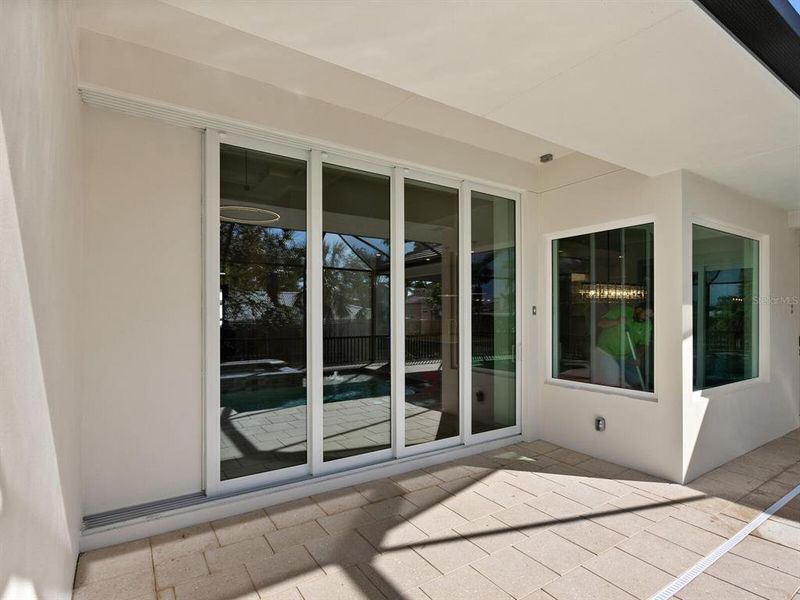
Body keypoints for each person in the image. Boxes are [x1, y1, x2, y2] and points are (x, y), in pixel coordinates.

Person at [596, 302, 653, 389]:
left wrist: (638, 355)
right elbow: (600, 323)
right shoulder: (621, 310)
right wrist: (617, 321)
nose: (647, 319)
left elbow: (643, 343)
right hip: (606, 353)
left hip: (627, 356)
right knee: (612, 382)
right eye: (645, 315)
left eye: (650, 317)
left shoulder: (647, 324)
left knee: (637, 382)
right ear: (638, 310)